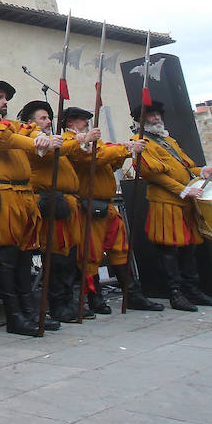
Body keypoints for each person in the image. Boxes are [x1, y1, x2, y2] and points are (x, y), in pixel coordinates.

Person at [61, 107, 161, 313]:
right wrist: (125, 149)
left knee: (121, 249)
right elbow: (94, 157)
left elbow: (109, 161)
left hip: (106, 204)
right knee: (90, 254)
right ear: (70, 123)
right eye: (82, 120)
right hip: (88, 205)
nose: (86, 123)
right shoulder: (71, 143)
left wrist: (124, 151)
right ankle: (94, 297)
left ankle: (132, 294)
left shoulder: (90, 141)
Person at [131, 102, 212, 310]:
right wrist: (184, 190)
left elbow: (187, 166)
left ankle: (193, 290)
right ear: (141, 120)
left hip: (184, 202)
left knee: (189, 248)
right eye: (151, 116)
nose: (156, 118)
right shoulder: (139, 142)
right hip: (165, 202)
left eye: (157, 114)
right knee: (169, 249)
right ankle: (176, 294)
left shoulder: (168, 140)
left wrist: (203, 171)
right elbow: (153, 174)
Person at [0, 79, 51, 336]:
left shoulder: (13, 125)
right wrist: (34, 141)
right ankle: (14, 316)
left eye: (6, 97)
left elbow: (27, 129)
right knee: (7, 258)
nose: (5, 101)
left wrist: (39, 135)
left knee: (25, 256)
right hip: (4, 194)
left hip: (24, 194)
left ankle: (29, 312)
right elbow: (2, 140)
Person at [22, 100, 85, 324]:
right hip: (51, 201)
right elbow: (50, 153)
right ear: (30, 123)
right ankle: (58, 304)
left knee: (70, 255)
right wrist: (79, 140)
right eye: (42, 118)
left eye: (49, 118)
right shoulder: (35, 141)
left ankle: (69, 301)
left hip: (67, 202)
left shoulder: (55, 140)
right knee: (57, 257)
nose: (48, 121)